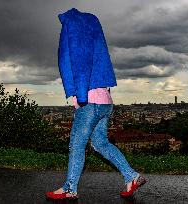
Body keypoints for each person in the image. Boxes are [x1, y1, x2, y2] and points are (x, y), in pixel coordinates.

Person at [45, 8, 146, 201]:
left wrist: (82, 95)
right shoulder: (94, 28)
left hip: (89, 101)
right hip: (105, 101)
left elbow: (80, 61)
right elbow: (99, 64)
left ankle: (70, 188)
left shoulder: (74, 27)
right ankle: (132, 176)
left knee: (76, 144)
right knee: (101, 144)